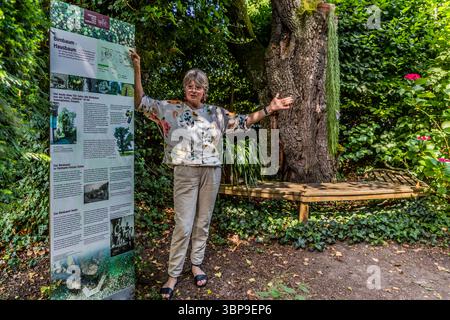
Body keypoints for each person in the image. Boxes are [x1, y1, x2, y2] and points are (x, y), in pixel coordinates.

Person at [129, 49, 293, 299]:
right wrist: (137, 69)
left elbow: (244, 121)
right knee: (183, 225)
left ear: (205, 90)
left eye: (198, 86)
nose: (193, 89)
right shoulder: (169, 109)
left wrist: (270, 109)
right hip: (185, 172)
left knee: (202, 222)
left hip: (212, 172)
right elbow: (141, 102)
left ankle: (196, 264)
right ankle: (173, 273)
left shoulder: (216, 113)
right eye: (189, 86)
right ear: (185, 88)